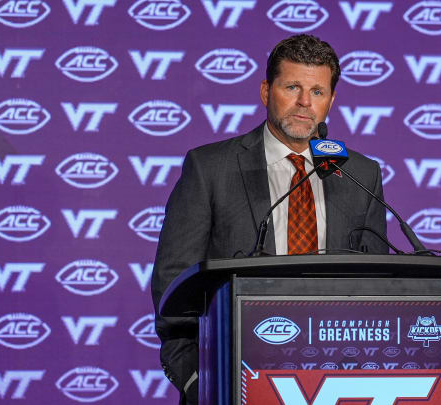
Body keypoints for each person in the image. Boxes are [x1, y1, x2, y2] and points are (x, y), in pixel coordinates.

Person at [151, 34, 388, 405]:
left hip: (334, 381)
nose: (304, 103)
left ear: (331, 100)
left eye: (318, 92)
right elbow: (173, 285)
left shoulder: (360, 174)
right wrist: (196, 378)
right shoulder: (211, 167)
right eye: (292, 87)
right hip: (231, 379)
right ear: (266, 91)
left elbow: (380, 288)